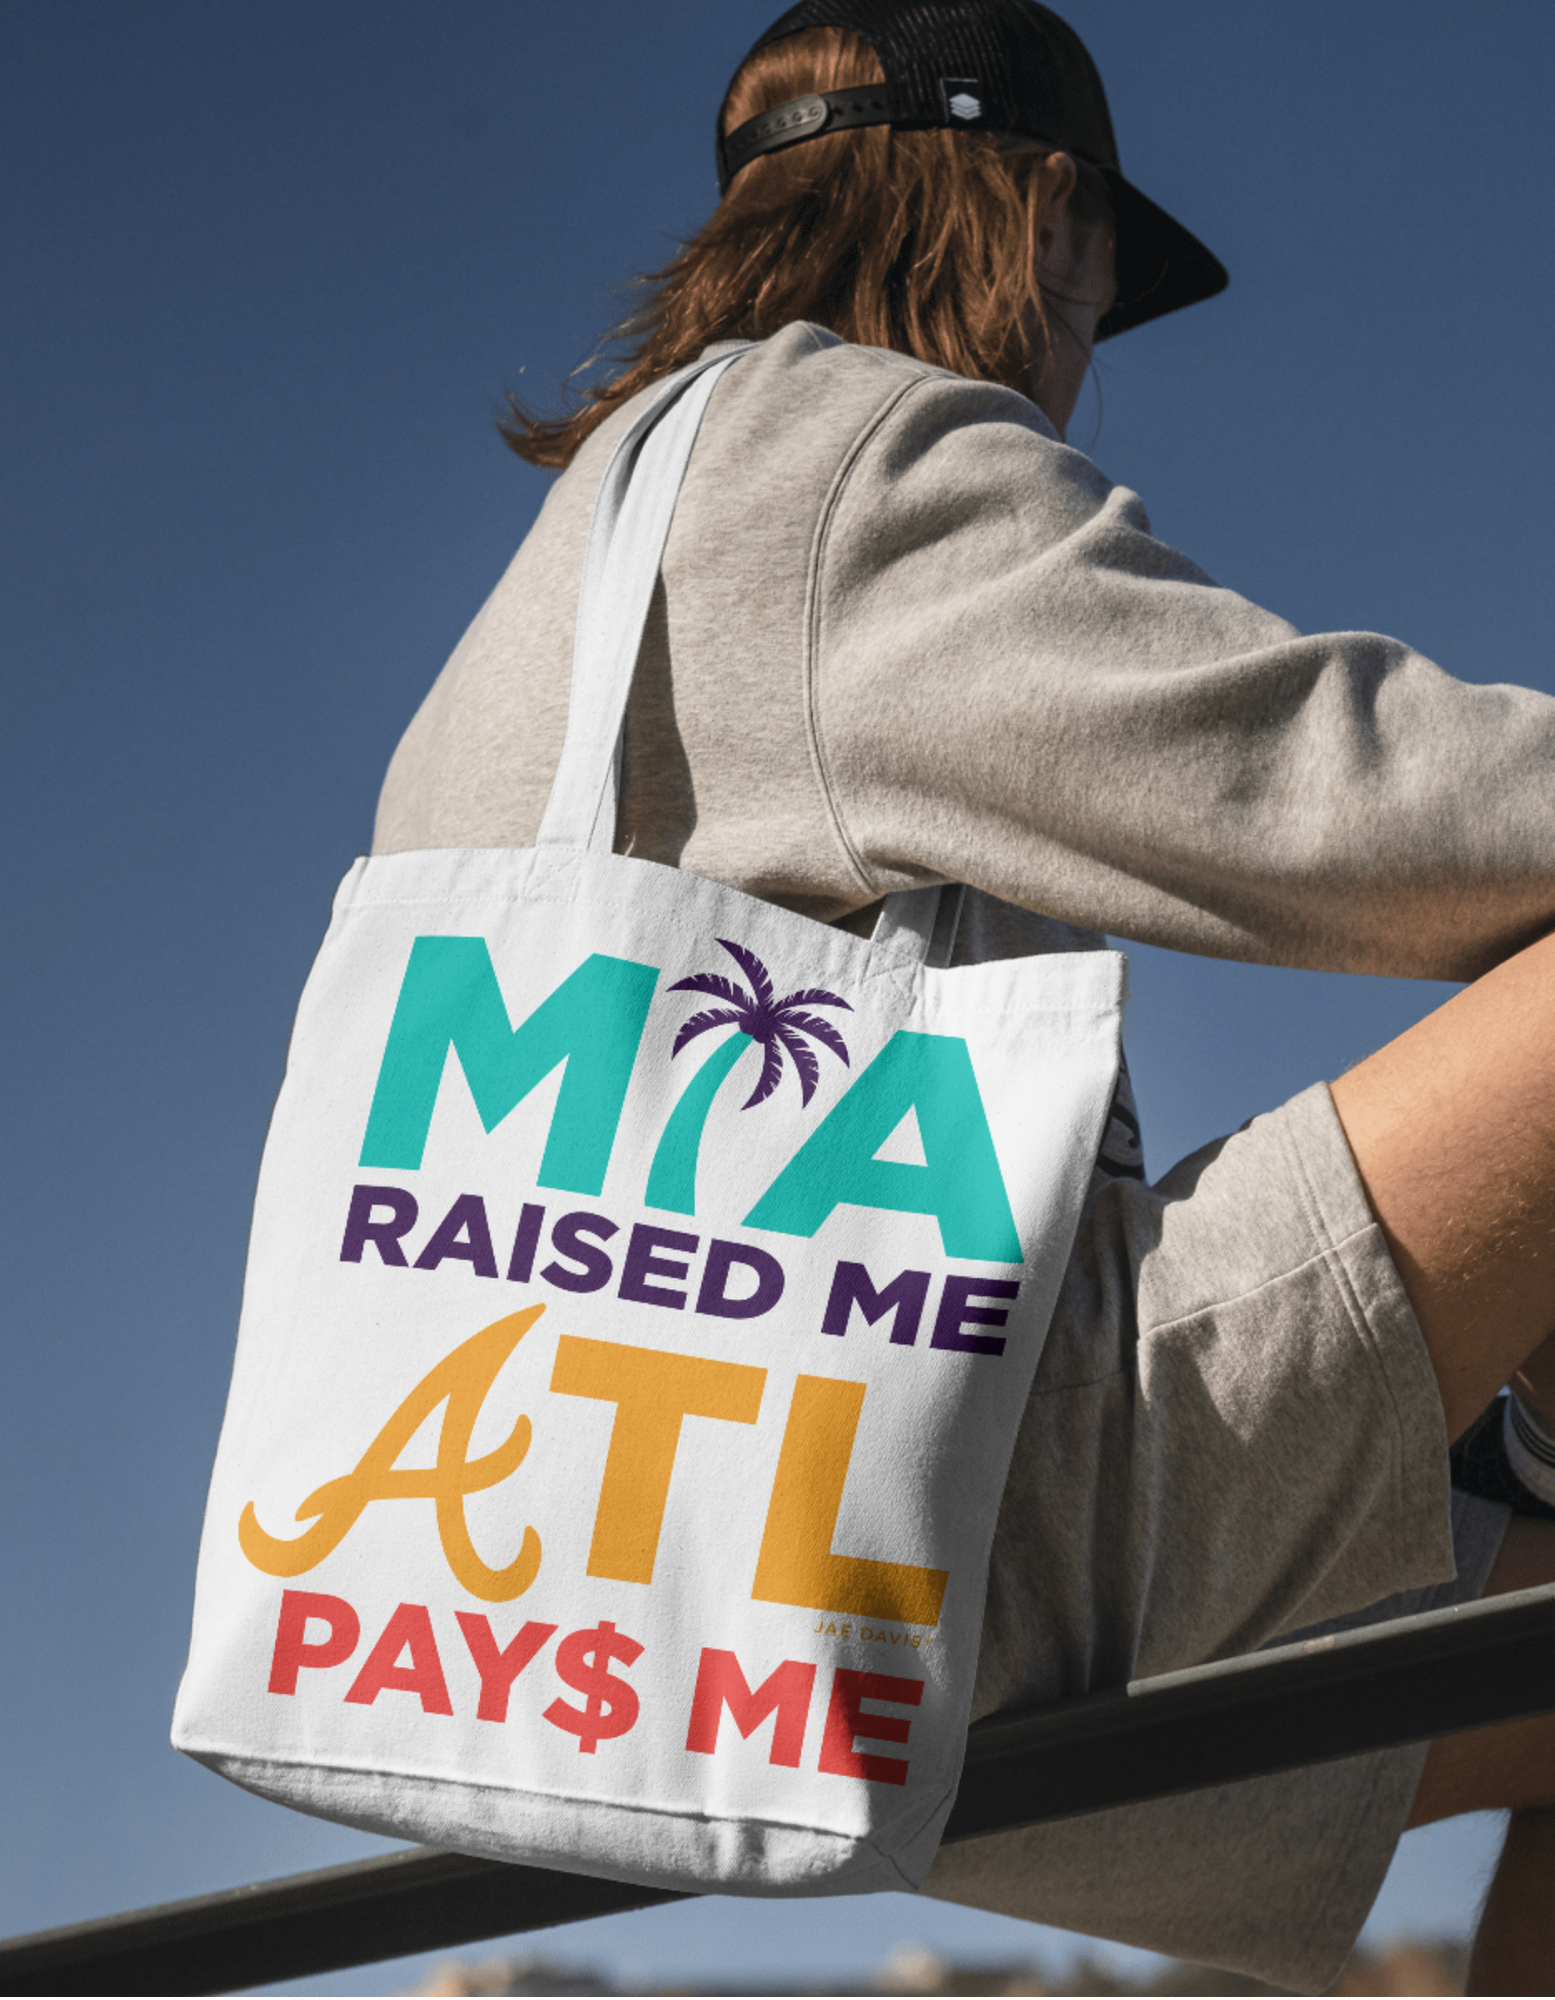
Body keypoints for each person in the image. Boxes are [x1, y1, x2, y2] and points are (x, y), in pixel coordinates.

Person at [369, 2, 1555, 1990]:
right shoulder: (844, 464)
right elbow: (1347, 796)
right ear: (1049, 221)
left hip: (675, 1595)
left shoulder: (563, 580)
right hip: (961, 1537)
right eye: (1102, 277)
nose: (1094, 349)